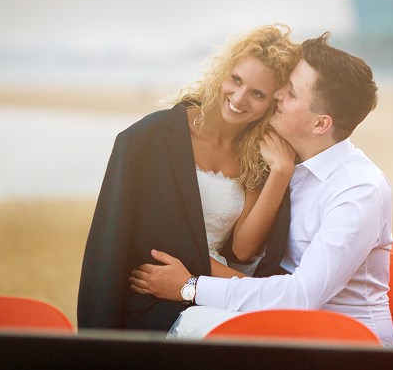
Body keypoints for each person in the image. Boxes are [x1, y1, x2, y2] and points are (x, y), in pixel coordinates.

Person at [129, 33, 393, 345]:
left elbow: (301, 295)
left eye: (291, 92)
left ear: (320, 124)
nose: (277, 95)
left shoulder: (358, 190)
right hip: (287, 327)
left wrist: (191, 287)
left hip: (347, 344)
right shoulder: (283, 160)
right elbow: (250, 256)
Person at [78, 25, 300, 331]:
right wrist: (247, 287)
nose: (239, 98)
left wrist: (281, 173)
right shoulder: (148, 138)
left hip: (211, 292)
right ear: (222, 71)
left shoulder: (257, 152)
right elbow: (112, 243)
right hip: (153, 296)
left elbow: (243, 249)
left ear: (273, 103)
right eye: (236, 80)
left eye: (258, 94)